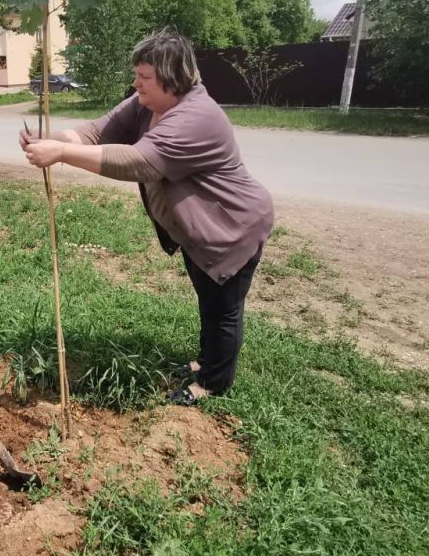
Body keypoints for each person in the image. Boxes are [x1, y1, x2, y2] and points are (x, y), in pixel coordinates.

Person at [19, 30, 273, 406]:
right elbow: (95, 131)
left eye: (145, 77)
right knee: (209, 299)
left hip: (230, 228)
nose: (136, 83)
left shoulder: (196, 117)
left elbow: (141, 162)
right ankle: (207, 361)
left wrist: (59, 154)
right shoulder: (148, 104)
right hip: (201, 230)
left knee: (223, 310)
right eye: (137, 74)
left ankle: (213, 383)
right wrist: (49, 137)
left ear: (173, 78)